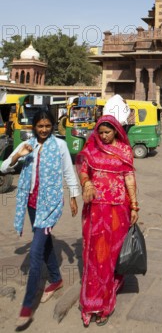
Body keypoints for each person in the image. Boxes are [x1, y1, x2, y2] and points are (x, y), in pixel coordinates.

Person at [0, 109, 79, 330]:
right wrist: (18, 155)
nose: (43, 130)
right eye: (39, 126)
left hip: (50, 205)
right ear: (34, 127)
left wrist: (73, 196)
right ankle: (56, 279)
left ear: (53, 126)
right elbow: (3, 167)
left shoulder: (60, 146)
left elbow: (68, 172)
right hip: (31, 204)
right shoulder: (28, 145)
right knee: (44, 245)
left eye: (47, 126)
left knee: (35, 254)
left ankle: (27, 307)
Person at [76, 115, 139, 326]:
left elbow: (129, 177)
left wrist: (134, 206)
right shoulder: (92, 148)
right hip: (95, 209)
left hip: (118, 210)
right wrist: (86, 184)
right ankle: (90, 304)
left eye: (107, 132)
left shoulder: (124, 150)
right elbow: (83, 171)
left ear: (116, 131)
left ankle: (106, 303)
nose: (103, 136)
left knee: (112, 257)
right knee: (95, 258)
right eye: (100, 132)